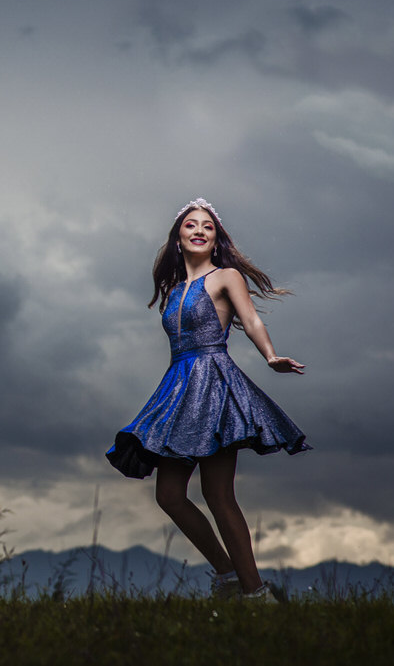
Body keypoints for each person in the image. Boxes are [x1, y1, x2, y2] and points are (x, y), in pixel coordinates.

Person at [105, 198, 310, 601]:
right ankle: (227, 574)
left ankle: (256, 595)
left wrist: (270, 356)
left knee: (218, 495)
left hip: (214, 385)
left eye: (208, 226)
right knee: (169, 496)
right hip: (177, 389)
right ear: (177, 238)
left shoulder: (226, 277)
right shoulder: (173, 291)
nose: (199, 230)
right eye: (190, 225)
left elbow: (251, 319)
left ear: (216, 240)